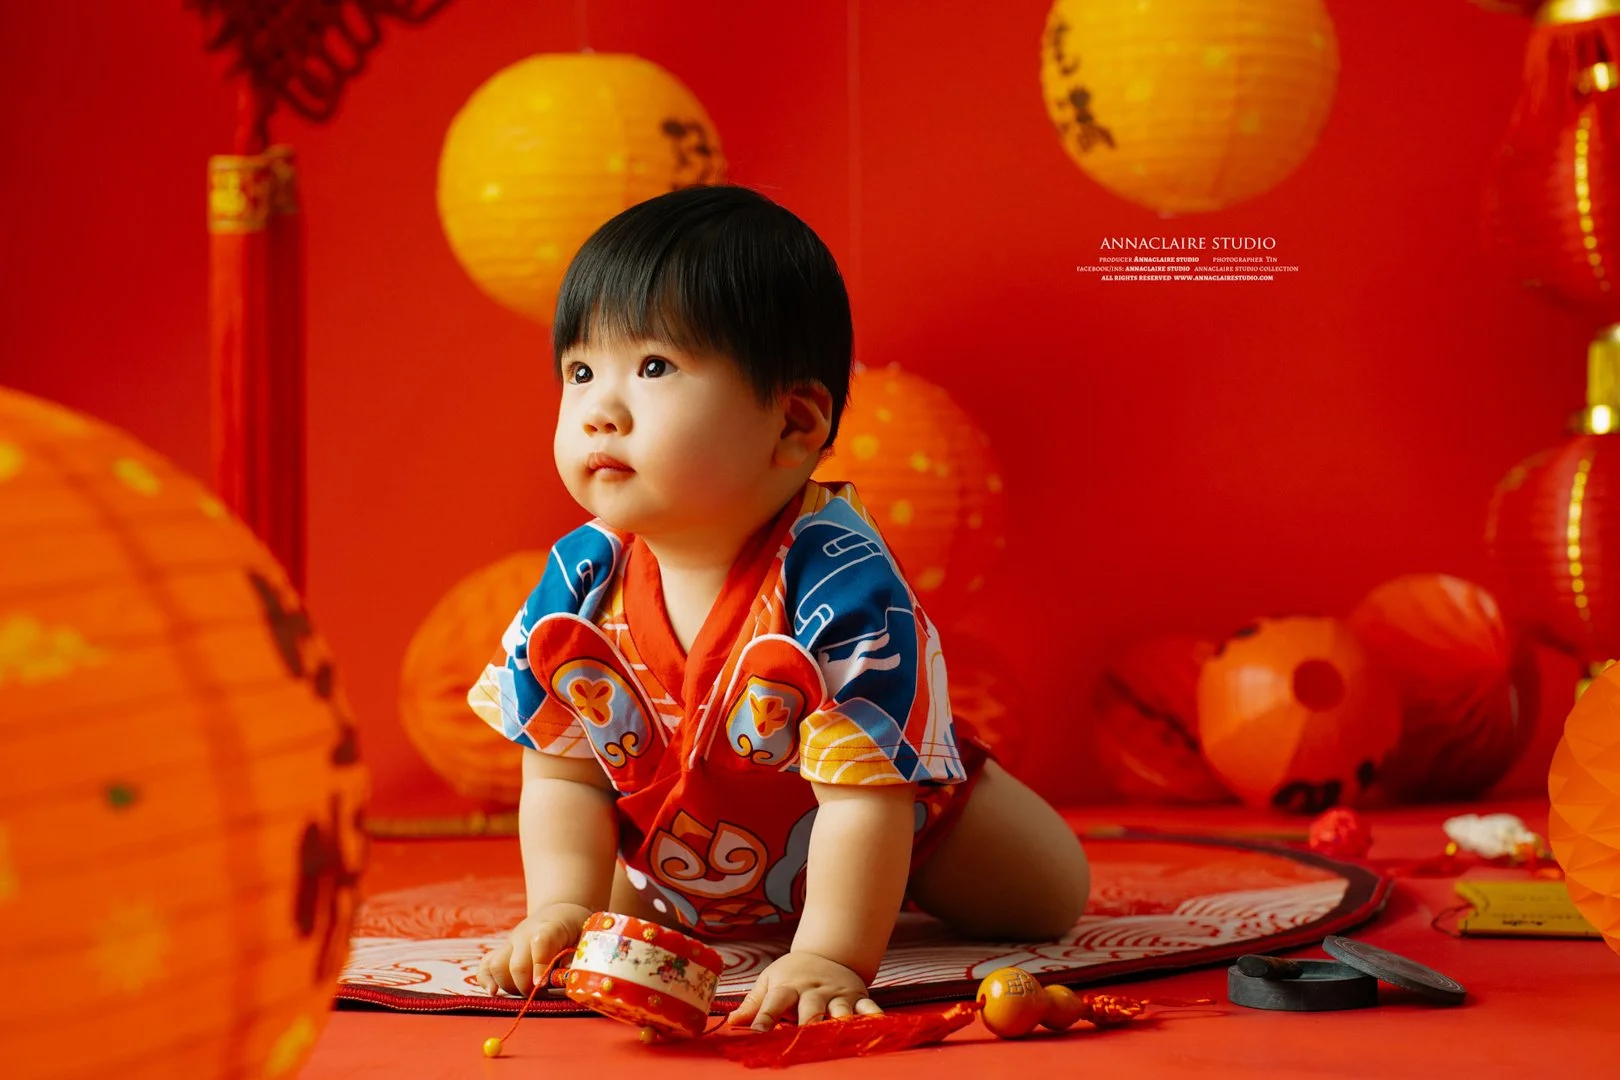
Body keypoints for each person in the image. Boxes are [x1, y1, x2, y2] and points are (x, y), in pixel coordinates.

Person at [467, 184, 1089, 1031]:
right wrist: (561, 904)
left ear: (794, 423)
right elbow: (562, 768)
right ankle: (627, 897)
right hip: (681, 841)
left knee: (1046, 896)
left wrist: (828, 953)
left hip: (896, 815)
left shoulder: (839, 584)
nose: (599, 412)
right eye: (581, 372)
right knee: (598, 910)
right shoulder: (579, 582)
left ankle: (876, 887)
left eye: (654, 368)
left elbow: (865, 801)